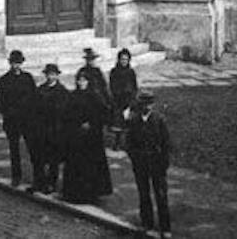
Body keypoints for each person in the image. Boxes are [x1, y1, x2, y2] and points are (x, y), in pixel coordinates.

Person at [58, 70, 114, 204]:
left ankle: (91, 194)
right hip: (76, 136)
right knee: (75, 165)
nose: (81, 83)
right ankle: (74, 193)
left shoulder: (94, 96)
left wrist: (92, 124)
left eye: (84, 80)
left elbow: (103, 114)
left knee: (90, 166)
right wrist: (75, 125)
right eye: (79, 80)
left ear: (88, 82)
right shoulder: (72, 96)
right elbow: (65, 115)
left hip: (91, 138)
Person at [125, 90, 172, 238]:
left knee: (161, 195)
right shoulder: (134, 121)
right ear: (140, 105)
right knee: (144, 194)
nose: (147, 107)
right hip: (141, 164)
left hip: (156, 163)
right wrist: (134, 158)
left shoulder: (159, 120)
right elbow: (129, 144)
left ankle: (165, 227)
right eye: (144, 104)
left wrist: (164, 163)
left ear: (153, 105)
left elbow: (167, 144)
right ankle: (147, 223)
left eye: (150, 103)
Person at [0, 49, 36, 187]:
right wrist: (7, 112)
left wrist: (30, 113)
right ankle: (16, 176)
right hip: (12, 120)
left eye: (18, 63)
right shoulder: (4, 80)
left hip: (27, 120)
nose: (16, 66)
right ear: (10, 64)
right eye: (13, 63)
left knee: (32, 148)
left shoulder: (27, 78)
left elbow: (34, 96)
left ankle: (37, 177)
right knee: (14, 149)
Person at [27, 62, 68, 194]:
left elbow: (65, 112)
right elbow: (33, 109)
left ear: (57, 76)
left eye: (53, 75)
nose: (50, 77)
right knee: (39, 158)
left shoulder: (62, 92)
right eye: (48, 74)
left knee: (53, 160)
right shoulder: (40, 90)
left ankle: (51, 183)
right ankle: (38, 182)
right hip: (41, 130)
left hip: (55, 130)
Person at [107, 47, 139, 145]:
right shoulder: (114, 71)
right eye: (122, 59)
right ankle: (117, 142)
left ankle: (128, 143)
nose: (124, 61)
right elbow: (112, 86)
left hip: (128, 100)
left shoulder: (131, 72)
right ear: (118, 59)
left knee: (129, 123)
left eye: (126, 59)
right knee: (118, 123)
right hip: (117, 100)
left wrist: (132, 100)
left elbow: (134, 86)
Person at [74, 46, 111, 119]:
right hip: (87, 100)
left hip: (99, 100)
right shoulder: (82, 71)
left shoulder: (98, 71)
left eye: (93, 59)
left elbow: (104, 87)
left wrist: (107, 100)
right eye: (89, 59)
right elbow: (79, 87)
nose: (91, 61)